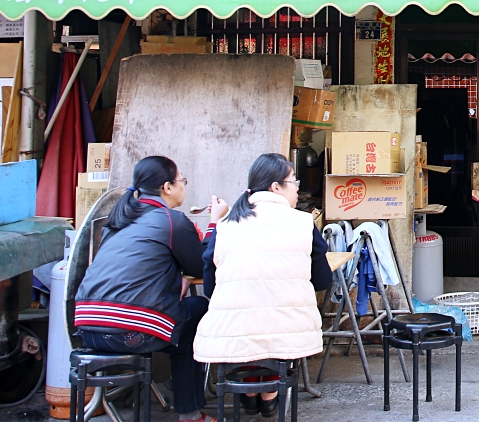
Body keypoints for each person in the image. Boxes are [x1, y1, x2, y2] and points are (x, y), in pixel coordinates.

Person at [74, 156, 227, 422]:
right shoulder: (172, 221)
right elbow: (201, 265)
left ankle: (176, 382)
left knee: (184, 316)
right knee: (200, 309)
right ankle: (189, 413)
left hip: (87, 330)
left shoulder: (118, 221)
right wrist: (215, 222)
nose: (184, 186)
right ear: (167, 187)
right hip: (130, 333)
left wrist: (171, 279)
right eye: (182, 181)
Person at [193, 153, 332, 418]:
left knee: (251, 326)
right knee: (277, 324)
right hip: (288, 332)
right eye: (294, 182)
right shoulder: (302, 223)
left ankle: (250, 390)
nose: (298, 189)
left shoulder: (225, 225)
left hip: (231, 333)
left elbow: (210, 287)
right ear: (275, 187)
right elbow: (324, 281)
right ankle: (269, 395)